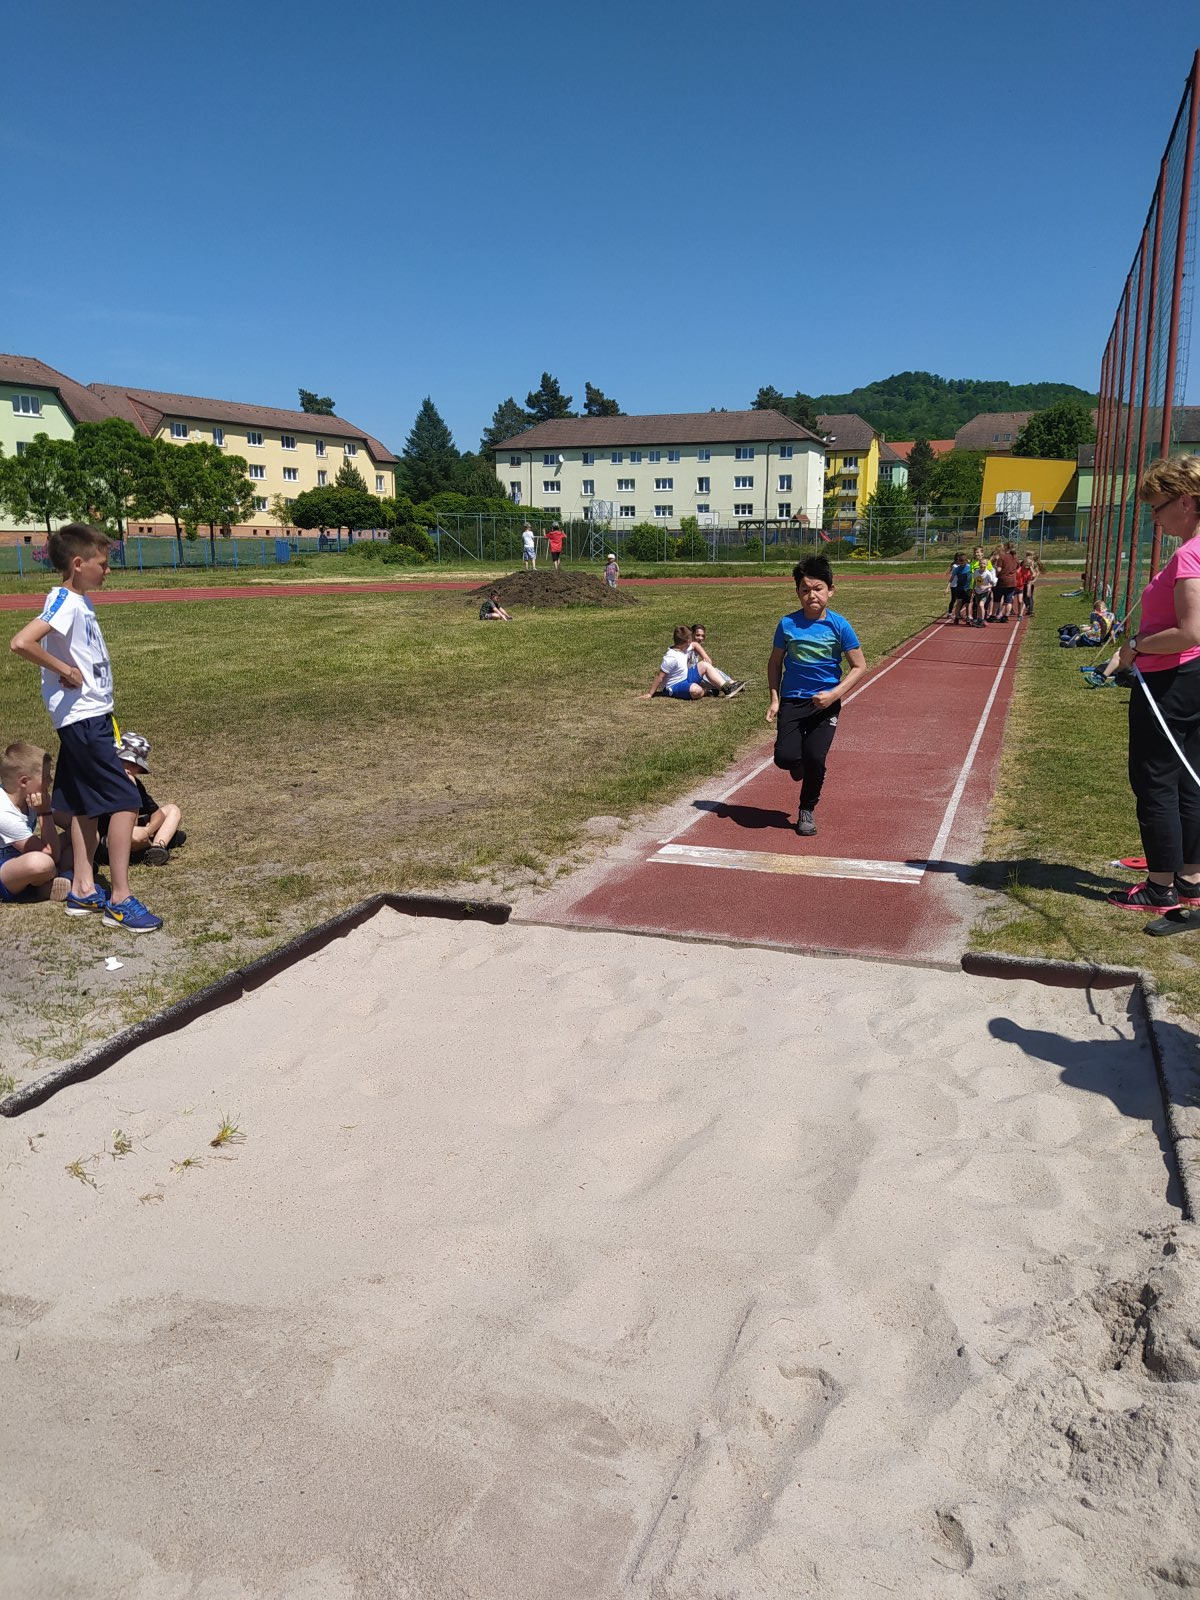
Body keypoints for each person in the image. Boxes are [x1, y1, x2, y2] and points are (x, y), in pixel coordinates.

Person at [9, 522, 162, 932]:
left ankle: (82, 889)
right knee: (125, 799)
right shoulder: (64, 600)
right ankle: (120, 899)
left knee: (81, 805)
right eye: (103, 563)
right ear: (78, 564)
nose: (108, 570)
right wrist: (64, 669)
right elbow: (22, 642)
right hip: (84, 719)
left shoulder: (79, 601)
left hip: (91, 716)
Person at [1105, 456, 1200, 911]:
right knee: (1187, 777)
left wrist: (1135, 646)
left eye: (1157, 507)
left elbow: (1190, 631)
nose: (1154, 519)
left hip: (1170, 682)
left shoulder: (1189, 555)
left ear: (1186, 501)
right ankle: (1190, 878)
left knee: (1156, 780)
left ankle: (1161, 886)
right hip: (1189, 677)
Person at [767, 556, 867, 836]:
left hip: (825, 705)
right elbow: (775, 663)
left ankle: (806, 809)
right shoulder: (787, 624)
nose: (811, 595)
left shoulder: (839, 625)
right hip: (793, 700)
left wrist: (834, 694)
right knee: (785, 758)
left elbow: (859, 666)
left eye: (818, 588)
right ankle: (800, 765)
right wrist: (775, 699)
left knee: (815, 757)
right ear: (797, 592)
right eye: (805, 590)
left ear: (831, 590)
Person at [102, 732, 184, 866]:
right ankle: (164, 839)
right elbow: (127, 824)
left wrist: (148, 830)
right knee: (135, 835)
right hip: (107, 838)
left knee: (173, 810)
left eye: (135, 765)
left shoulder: (136, 785)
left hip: (135, 831)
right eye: (124, 762)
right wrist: (130, 789)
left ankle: (157, 848)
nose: (132, 769)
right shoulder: (105, 782)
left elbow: (157, 814)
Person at [0, 741, 67, 904]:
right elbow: (52, 855)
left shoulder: (33, 797)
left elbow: (71, 823)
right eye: (46, 776)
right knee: (41, 863)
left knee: (82, 835)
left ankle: (50, 883)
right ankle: (57, 878)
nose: (50, 780)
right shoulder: (4, 813)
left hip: (23, 861)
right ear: (24, 782)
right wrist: (44, 812)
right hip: (5, 873)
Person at [646, 626, 744, 700]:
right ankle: (707, 691)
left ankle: (727, 688)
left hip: (686, 676)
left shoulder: (683, 647)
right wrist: (650, 694)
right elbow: (659, 677)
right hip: (674, 685)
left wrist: (705, 656)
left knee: (705, 665)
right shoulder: (671, 657)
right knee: (697, 691)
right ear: (687, 641)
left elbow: (695, 644)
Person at [688, 622, 742, 691]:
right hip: (688, 678)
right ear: (691, 635)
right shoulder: (688, 647)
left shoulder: (695, 649)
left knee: (713, 671)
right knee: (709, 671)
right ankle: (729, 685)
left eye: (703, 636)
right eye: (697, 635)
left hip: (693, 676)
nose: (700, 638)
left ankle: (731, 683)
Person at [994, 542, 1020, 621]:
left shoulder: (1002, 557)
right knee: (1008, 600)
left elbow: (999, 569)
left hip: (1002, 580)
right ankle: (1006, 616)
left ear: (1005, 547)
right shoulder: (1015, 557)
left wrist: (995, 570)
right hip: (1012, 581)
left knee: (997, 599)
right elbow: (1018, 568)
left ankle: (994, 615)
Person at [947, 552, 974, 624]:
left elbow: (973, 577)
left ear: (966, 561)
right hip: (959, 588)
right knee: (958, 602)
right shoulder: (957, 569)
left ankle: (968, 617)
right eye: (960, 562)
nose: (962, 564)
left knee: (968, 604)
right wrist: (947, 587)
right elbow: (952, 578)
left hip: (968, 588)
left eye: (963, 562)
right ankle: (956, 617)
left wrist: (974, 587)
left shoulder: (969, 567)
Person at [1022, 552, 1042, 616]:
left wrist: (1034, 579)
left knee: (1029, 596)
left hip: (1029, 582)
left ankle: (1030, 609)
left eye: (1029, 556)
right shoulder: (1024, 562)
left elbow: (1036, 573)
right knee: (1025, 597)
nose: (1027, 558)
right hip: (1024, 581)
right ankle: (1029, 608)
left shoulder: (1033, 564)